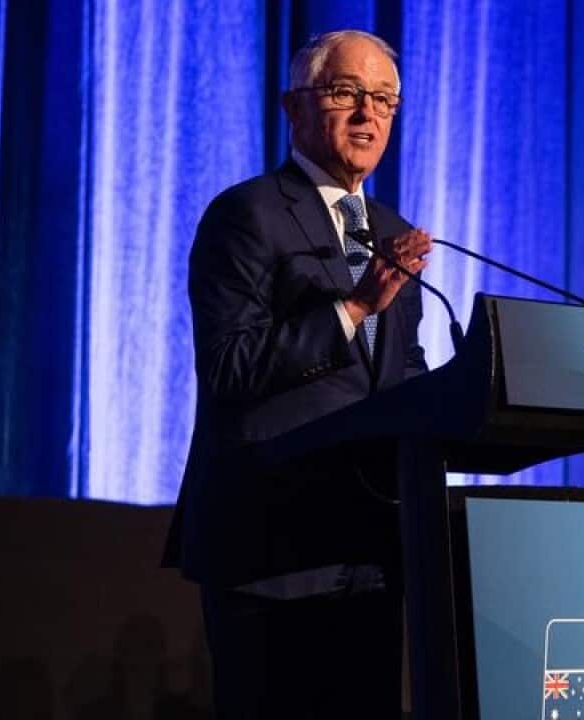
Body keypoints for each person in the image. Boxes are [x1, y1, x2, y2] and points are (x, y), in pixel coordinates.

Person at [162, 30, 431, 718]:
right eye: (347, 93)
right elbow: (229, 367)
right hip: (272, 548)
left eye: (385, 100)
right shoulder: (246, 215)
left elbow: (403, 377)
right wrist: (353, 307)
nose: (369, 115)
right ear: (295, 107)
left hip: (369, 553)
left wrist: (460, 399)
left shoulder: (393, 229)